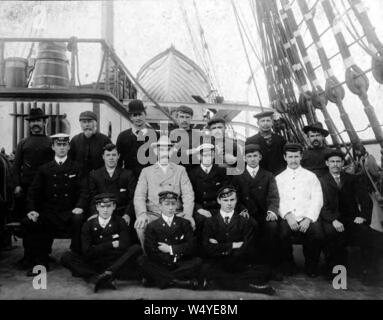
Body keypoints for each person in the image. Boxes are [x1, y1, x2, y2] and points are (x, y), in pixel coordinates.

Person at [22, 134, 88, 276]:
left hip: (70, 211)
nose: (62, 148)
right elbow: (33, 192)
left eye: (64, 145)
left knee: (79, 219)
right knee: (33, 221)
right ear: (53, 147)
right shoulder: (44, 169)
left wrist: (80, 206)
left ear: (69, 147)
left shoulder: (76, 167)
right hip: (50, 212)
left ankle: (75, 260)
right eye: (58, 145)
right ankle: (40, 263)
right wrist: (32, 210)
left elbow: (84, 190)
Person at [319, 150, 383, 284]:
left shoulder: (352, 179)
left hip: (351, 219)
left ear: (342, 163)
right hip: (331, 220)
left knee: (374, 236)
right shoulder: (321, 181)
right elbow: (320, 204)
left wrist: (363, 216)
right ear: (327, 163)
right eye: (332, 162)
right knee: (332, 235)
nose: (335, 164)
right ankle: (336, 272)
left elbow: (366, 200)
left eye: (338, 161)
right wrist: (333, 220)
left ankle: (370, 272)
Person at [201, 186, 275, 295]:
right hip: (218, 262)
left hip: (237, 262)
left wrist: (220, 247)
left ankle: (222, 283)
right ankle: (247, 286)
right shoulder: (210, 222)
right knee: (204, 269)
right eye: (225, 200)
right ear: (219, 201)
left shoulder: (245, 222)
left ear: (236, 200)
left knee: (264, 270)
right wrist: (233, 245)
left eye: (232, 200)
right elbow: (207, 248)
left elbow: (247, 247)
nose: (229, 203)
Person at [61, 193, 142, 292]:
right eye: (102, 206)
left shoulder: (120, 222)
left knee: (136, 248)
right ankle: (98, 277)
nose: (105, 210)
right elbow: (87, 252)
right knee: (66, 256)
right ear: (97, 207)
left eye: (109, 206)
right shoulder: (88, 225)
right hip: (95, 262)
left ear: (114, 207)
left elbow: (124, 245)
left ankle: (107, 273)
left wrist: (97, 247)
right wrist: (111, 244)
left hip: (115, 262)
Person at [134, 135, 195, 247]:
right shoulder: (146, 171)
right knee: (140, 226)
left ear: (172, 151)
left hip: (175, 212)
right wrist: (142, 214)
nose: (164, 153)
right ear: (156, 151)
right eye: (161, 149)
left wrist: (188, 214)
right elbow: (139, 196)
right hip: (154, 213)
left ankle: (176, 256)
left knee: (188, 225)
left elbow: (188, 194)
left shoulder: (180, 170)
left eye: (167, 149)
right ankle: (148, 257)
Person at [276, 143, 324, 277]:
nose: (293, 160)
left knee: (317, 234)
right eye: (290, 157)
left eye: (296, 156)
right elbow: (277, 200)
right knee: (282, 234)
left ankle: (311, 266)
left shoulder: (311, 176)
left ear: (301, 157)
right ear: (285, 157)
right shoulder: (279, 178)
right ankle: (289, 264)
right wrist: (287, 215)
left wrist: (308, 218)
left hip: (308, 216)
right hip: (288, 216)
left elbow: (317, 199)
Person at [138, 191, 202, 290]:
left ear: (177, 205)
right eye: (167, 204)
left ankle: (162, 279)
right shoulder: (152, 226)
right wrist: (168, 260)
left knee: (198, 261)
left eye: (173, 204)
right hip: (161, 263)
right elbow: (151, 250)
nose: (171, 207)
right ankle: (178, 282)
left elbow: (191, 246)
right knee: (143, 260)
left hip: (179, 262)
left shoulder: (184, 223)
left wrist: (171, 249)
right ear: (160, 206)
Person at [232, 144, 280, 272]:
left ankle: (271, 264)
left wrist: (272, 211)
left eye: (255, 156)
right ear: (244, 159)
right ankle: (249, 263)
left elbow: (273, 196)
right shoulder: (238, 175)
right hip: (247, 212)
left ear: (260, 157)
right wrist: (242, 209)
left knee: (272, 227)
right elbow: (235, 197)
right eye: (249, 156)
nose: (252, 159)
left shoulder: (268, 175)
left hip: (264, 212)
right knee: (250, 226)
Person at [88, 143, 137, 241]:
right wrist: (94, 213)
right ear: (103, 157)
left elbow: (133, 198)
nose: (111, 158)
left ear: (118, 156)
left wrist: (128, 214)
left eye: (114, 155)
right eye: (108, 155)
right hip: (102, 212)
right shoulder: (95, 175)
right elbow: (92, 197)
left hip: (122, 213)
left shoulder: (127, 174)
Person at [13, 108, 54, 221]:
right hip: (27, 188)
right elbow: (16, 167)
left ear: (44, 122)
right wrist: (17, 185)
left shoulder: (51, 142)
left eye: (38, 120)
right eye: (32, 121)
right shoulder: (23, 143)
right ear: (29, 124)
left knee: (45, 220)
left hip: (47, 188)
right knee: (28, 219)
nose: (35, 123)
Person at [188, 143, 231, 243]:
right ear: (199, 156)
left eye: (210, 155)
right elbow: (189, 195)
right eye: (205, 155)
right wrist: (199, 209)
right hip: (200, 207)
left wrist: (222, 208)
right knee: (201, 221)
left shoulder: (221, 171)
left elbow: (227, 191)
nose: (208, 158)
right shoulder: (192, 174)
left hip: (218, 207)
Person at [116, 100, 158, 179]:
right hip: (129, 181)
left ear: (145, 114)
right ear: (131, 117)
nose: (138, 118)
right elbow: (118, 161)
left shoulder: (156, 135)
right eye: (135, 115)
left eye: (140, 114)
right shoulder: (123, 136)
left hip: (150, 179)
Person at [69, 111, 111, 179]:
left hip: (100, 180)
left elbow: (110, 160)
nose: (87, 125)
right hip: (80, 180)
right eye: (84, 122)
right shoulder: (75, 140)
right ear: (81, 124)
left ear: (95, 123)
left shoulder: (104, 140)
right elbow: (70, 160)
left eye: (89, 122)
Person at [245, 111, 286, 175]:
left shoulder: (280, 140)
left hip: (279, 176)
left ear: (272, 122)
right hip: (259, 177)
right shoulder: (251, 141)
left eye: (268, 120)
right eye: (262, 121)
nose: (265, 123)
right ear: (258, 123)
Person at [169, 105, 202, 172]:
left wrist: (180, 153)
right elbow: (171, 154)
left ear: (191, 118)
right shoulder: (172, 133)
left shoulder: (198, 134)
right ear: (177, 117)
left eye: (187, 117)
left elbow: (200, 154)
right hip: (177, 170)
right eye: (182, 117)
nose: (184, 120)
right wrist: (190, 151)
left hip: (194, 170)